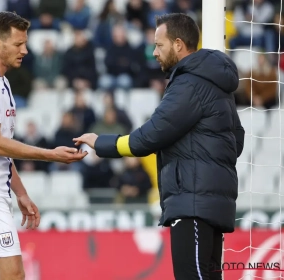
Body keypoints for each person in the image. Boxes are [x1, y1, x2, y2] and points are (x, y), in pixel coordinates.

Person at [74, 13, 245, 280]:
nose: (154, 52)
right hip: (211, 204)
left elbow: (149, 137)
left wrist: (101, 143)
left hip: (193, 205)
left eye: (159, 45)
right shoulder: (216, 84)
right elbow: (237, 141)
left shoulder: (189, 83)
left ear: (178, 44)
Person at [0, 12, 87, 280]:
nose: (25, 50)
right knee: (14, 274)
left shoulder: (2, 82)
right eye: (18, 44)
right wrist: (51, 155)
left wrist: (21, 194)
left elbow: (2, 150)